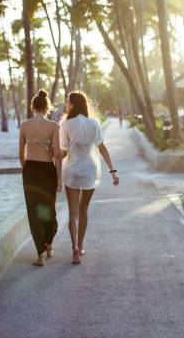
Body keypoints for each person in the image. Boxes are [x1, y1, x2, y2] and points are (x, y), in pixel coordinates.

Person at [59, 91, 119, 265]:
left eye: (67, 102)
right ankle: (81, 245)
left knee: (73, 213)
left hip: (71, 170)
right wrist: (113, 171)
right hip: (90, 171)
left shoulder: (65, 124)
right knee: (83, 210)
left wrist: (51, 165)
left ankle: (75, 249)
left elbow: (63, 152)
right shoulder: (94, 123)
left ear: (73, 104)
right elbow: (102, 149)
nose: (66, 104)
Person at [19, 90, 62, 267]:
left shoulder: (24, 125)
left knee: (33, 211)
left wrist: (26, 170)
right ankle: (49, 244)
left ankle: (40, 254)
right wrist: (59, 177)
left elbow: (20, 155)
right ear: (47, 107)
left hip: (30, 170)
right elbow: (58, 155)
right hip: (47, 170)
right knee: (48, 208)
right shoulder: (53, 126)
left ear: (32, 107)